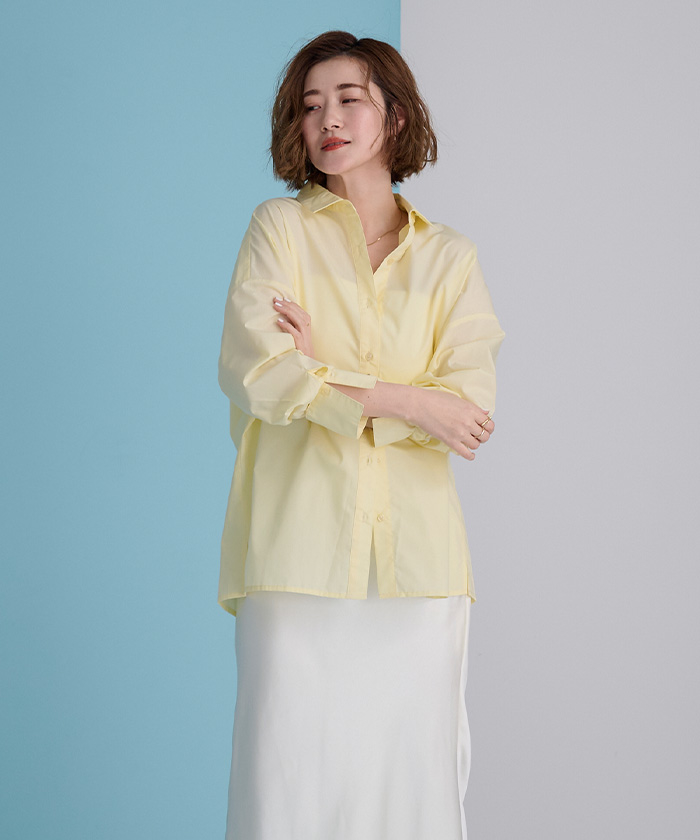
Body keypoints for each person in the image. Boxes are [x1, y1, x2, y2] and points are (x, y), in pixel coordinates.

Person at [218, 30, 505, 840]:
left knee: (412, 790)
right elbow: (259, 372)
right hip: (296, 554)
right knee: (286, 788)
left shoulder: (450, 259)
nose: (328, 120)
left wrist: (325, 376)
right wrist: (407, 401)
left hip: (420, 569)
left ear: (397, 116)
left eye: (350, 99)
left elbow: (467, 412)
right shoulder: (278, 229)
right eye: (310, 106)